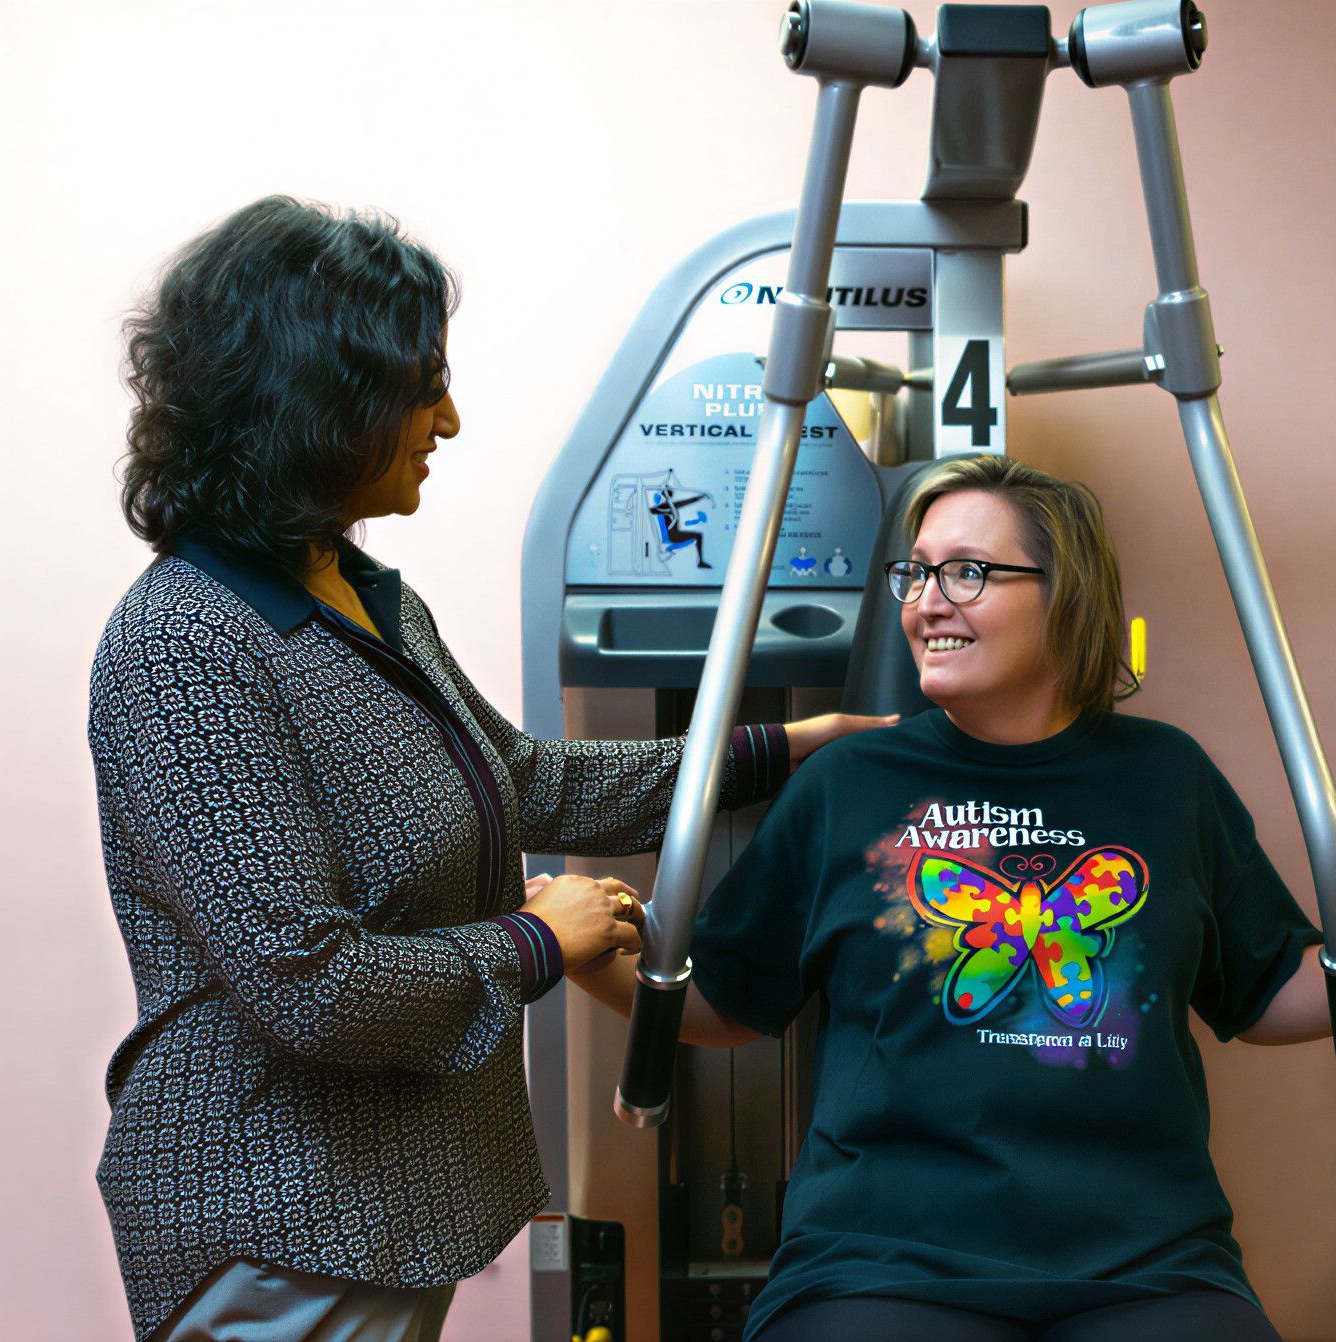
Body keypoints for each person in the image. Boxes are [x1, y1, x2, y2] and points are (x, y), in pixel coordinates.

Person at [88, 195, 889, 1342]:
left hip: (388, 1202)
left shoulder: (360, 592)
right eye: (422, 389)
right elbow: (308, 983)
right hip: (276, 1217)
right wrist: (540, 938)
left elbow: (516, 778)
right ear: (318, 403)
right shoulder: (183, 647)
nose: (450, 420)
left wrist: (778, 751)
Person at [573, 454, 1336, 1342]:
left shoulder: (1168, 778)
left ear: (1068, 593)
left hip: (1143, 1261)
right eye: (917, 573)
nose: (927, 601)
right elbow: (724, 999)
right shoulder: (848, 784)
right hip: (884, 1258)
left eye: (967, 573)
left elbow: (1265, 989)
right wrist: (582, 955)